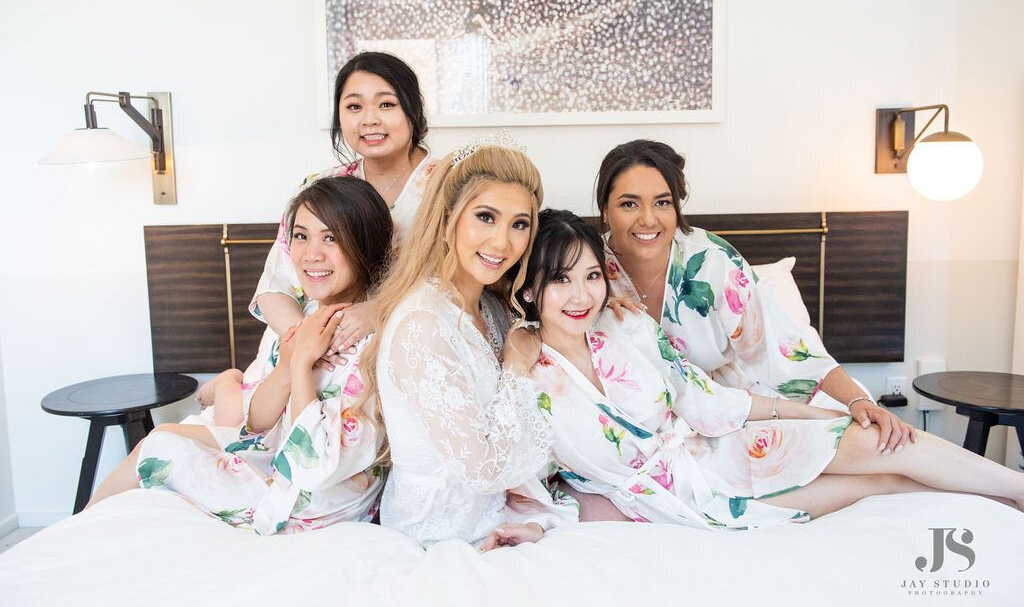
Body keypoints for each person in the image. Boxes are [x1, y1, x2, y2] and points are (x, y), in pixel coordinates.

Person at [516, 209, 1024, 527]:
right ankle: (1003, 505)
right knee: (880, 484)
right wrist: (543, 520)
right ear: (528, 289)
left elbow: (700, 396)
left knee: (878, 442)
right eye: (561, 280)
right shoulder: (522, 370)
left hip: (718, 451)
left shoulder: (628, 328)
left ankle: (1016, 492)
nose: (582, 295)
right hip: (669, 501)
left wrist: (813, 414)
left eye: (591, 276)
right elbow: (529, 470)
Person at [86, 177, 393, 534]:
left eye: (331, 237)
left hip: (312, 507)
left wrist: (303, 366)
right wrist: (294, 357)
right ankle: (77, 533)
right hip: (276, 466)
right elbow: (259, 423)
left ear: (367, 246)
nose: (312, 254)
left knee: (155, 453)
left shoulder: (375, 343)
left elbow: (311, 466)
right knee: (157, 441)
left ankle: (74, 538)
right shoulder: (303, 316)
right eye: (301, 236)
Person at [596, 139, 915, 456]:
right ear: (606, 211)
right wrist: (597, 311)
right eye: (629, 204)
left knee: (864, 451)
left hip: (729, 403)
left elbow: (781, 348)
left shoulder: (712, 262)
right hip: (634, 417)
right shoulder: (584, 268)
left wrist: (857, 400)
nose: (648, 219)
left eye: (662, 203)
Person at [363, 139, 577, 549]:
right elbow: (482, 471)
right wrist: (515, 367)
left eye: (519, 224)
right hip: (437, 538)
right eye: (485, 217)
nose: (502, 243)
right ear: (447, 220)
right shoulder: (422, 324)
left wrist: (605, 308)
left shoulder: (493, 310)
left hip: (500, 519)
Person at [250, 51, 436, 358]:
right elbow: (274, 287)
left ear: (413, 109)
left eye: (386, 104)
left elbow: (462, 285)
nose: (369, 119)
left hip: (409, 343)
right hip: (311, 346)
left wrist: (377, 310)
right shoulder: (319, 188)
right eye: (354, 106)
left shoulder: (453, 186)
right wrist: (310, 343)